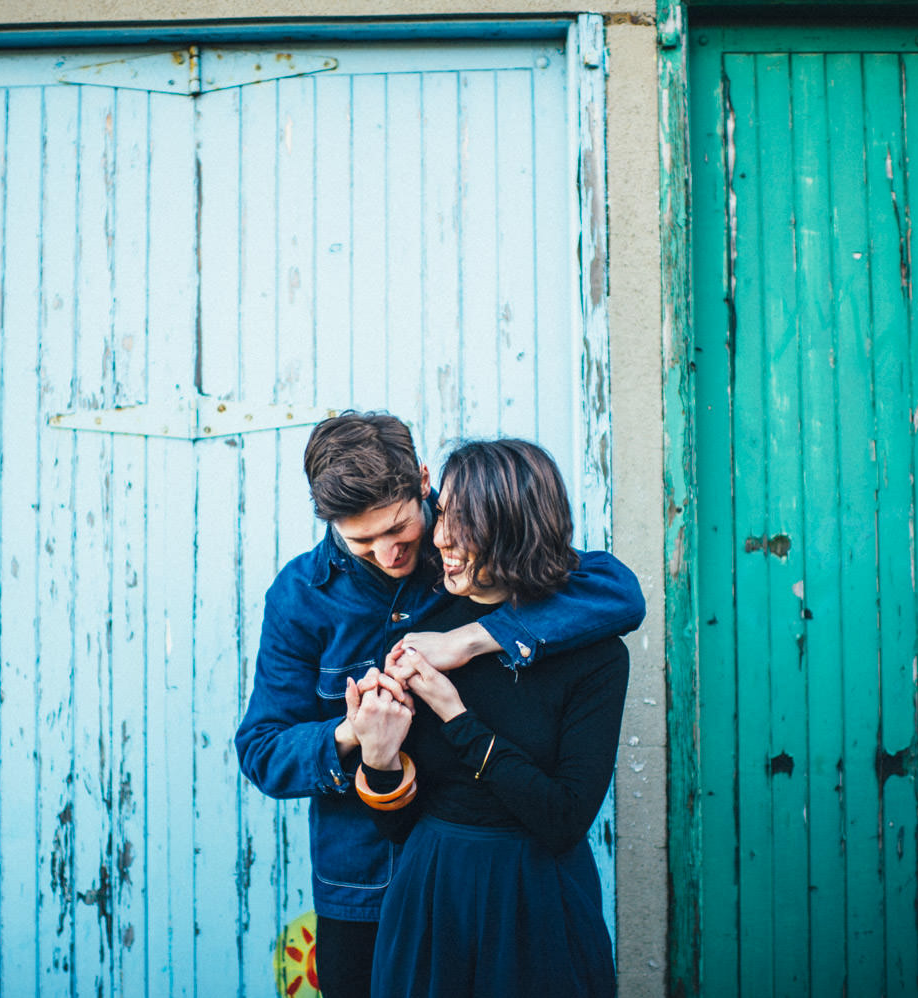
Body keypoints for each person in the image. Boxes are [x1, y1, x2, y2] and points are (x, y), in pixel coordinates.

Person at [235, 412, 643, 998]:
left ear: (422, 482)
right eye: (361, 541)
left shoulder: (465, 552)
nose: (387, 552)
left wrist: (468, 639)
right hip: (361, 884)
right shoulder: (300, 597)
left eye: (399, 528)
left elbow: (617, 593)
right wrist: (352, 734)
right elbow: (262, 748)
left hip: (494, 881)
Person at [347, 438, 630, 998]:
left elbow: (564, 820)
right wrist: (378, 756)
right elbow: (396, 826)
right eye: (445, 513)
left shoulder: (594, 652)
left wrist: (456, 715)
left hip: (538, 897)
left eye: (466, 521)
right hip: (431, 890)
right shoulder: (423, 626)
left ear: (517, 527)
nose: (442, 537)